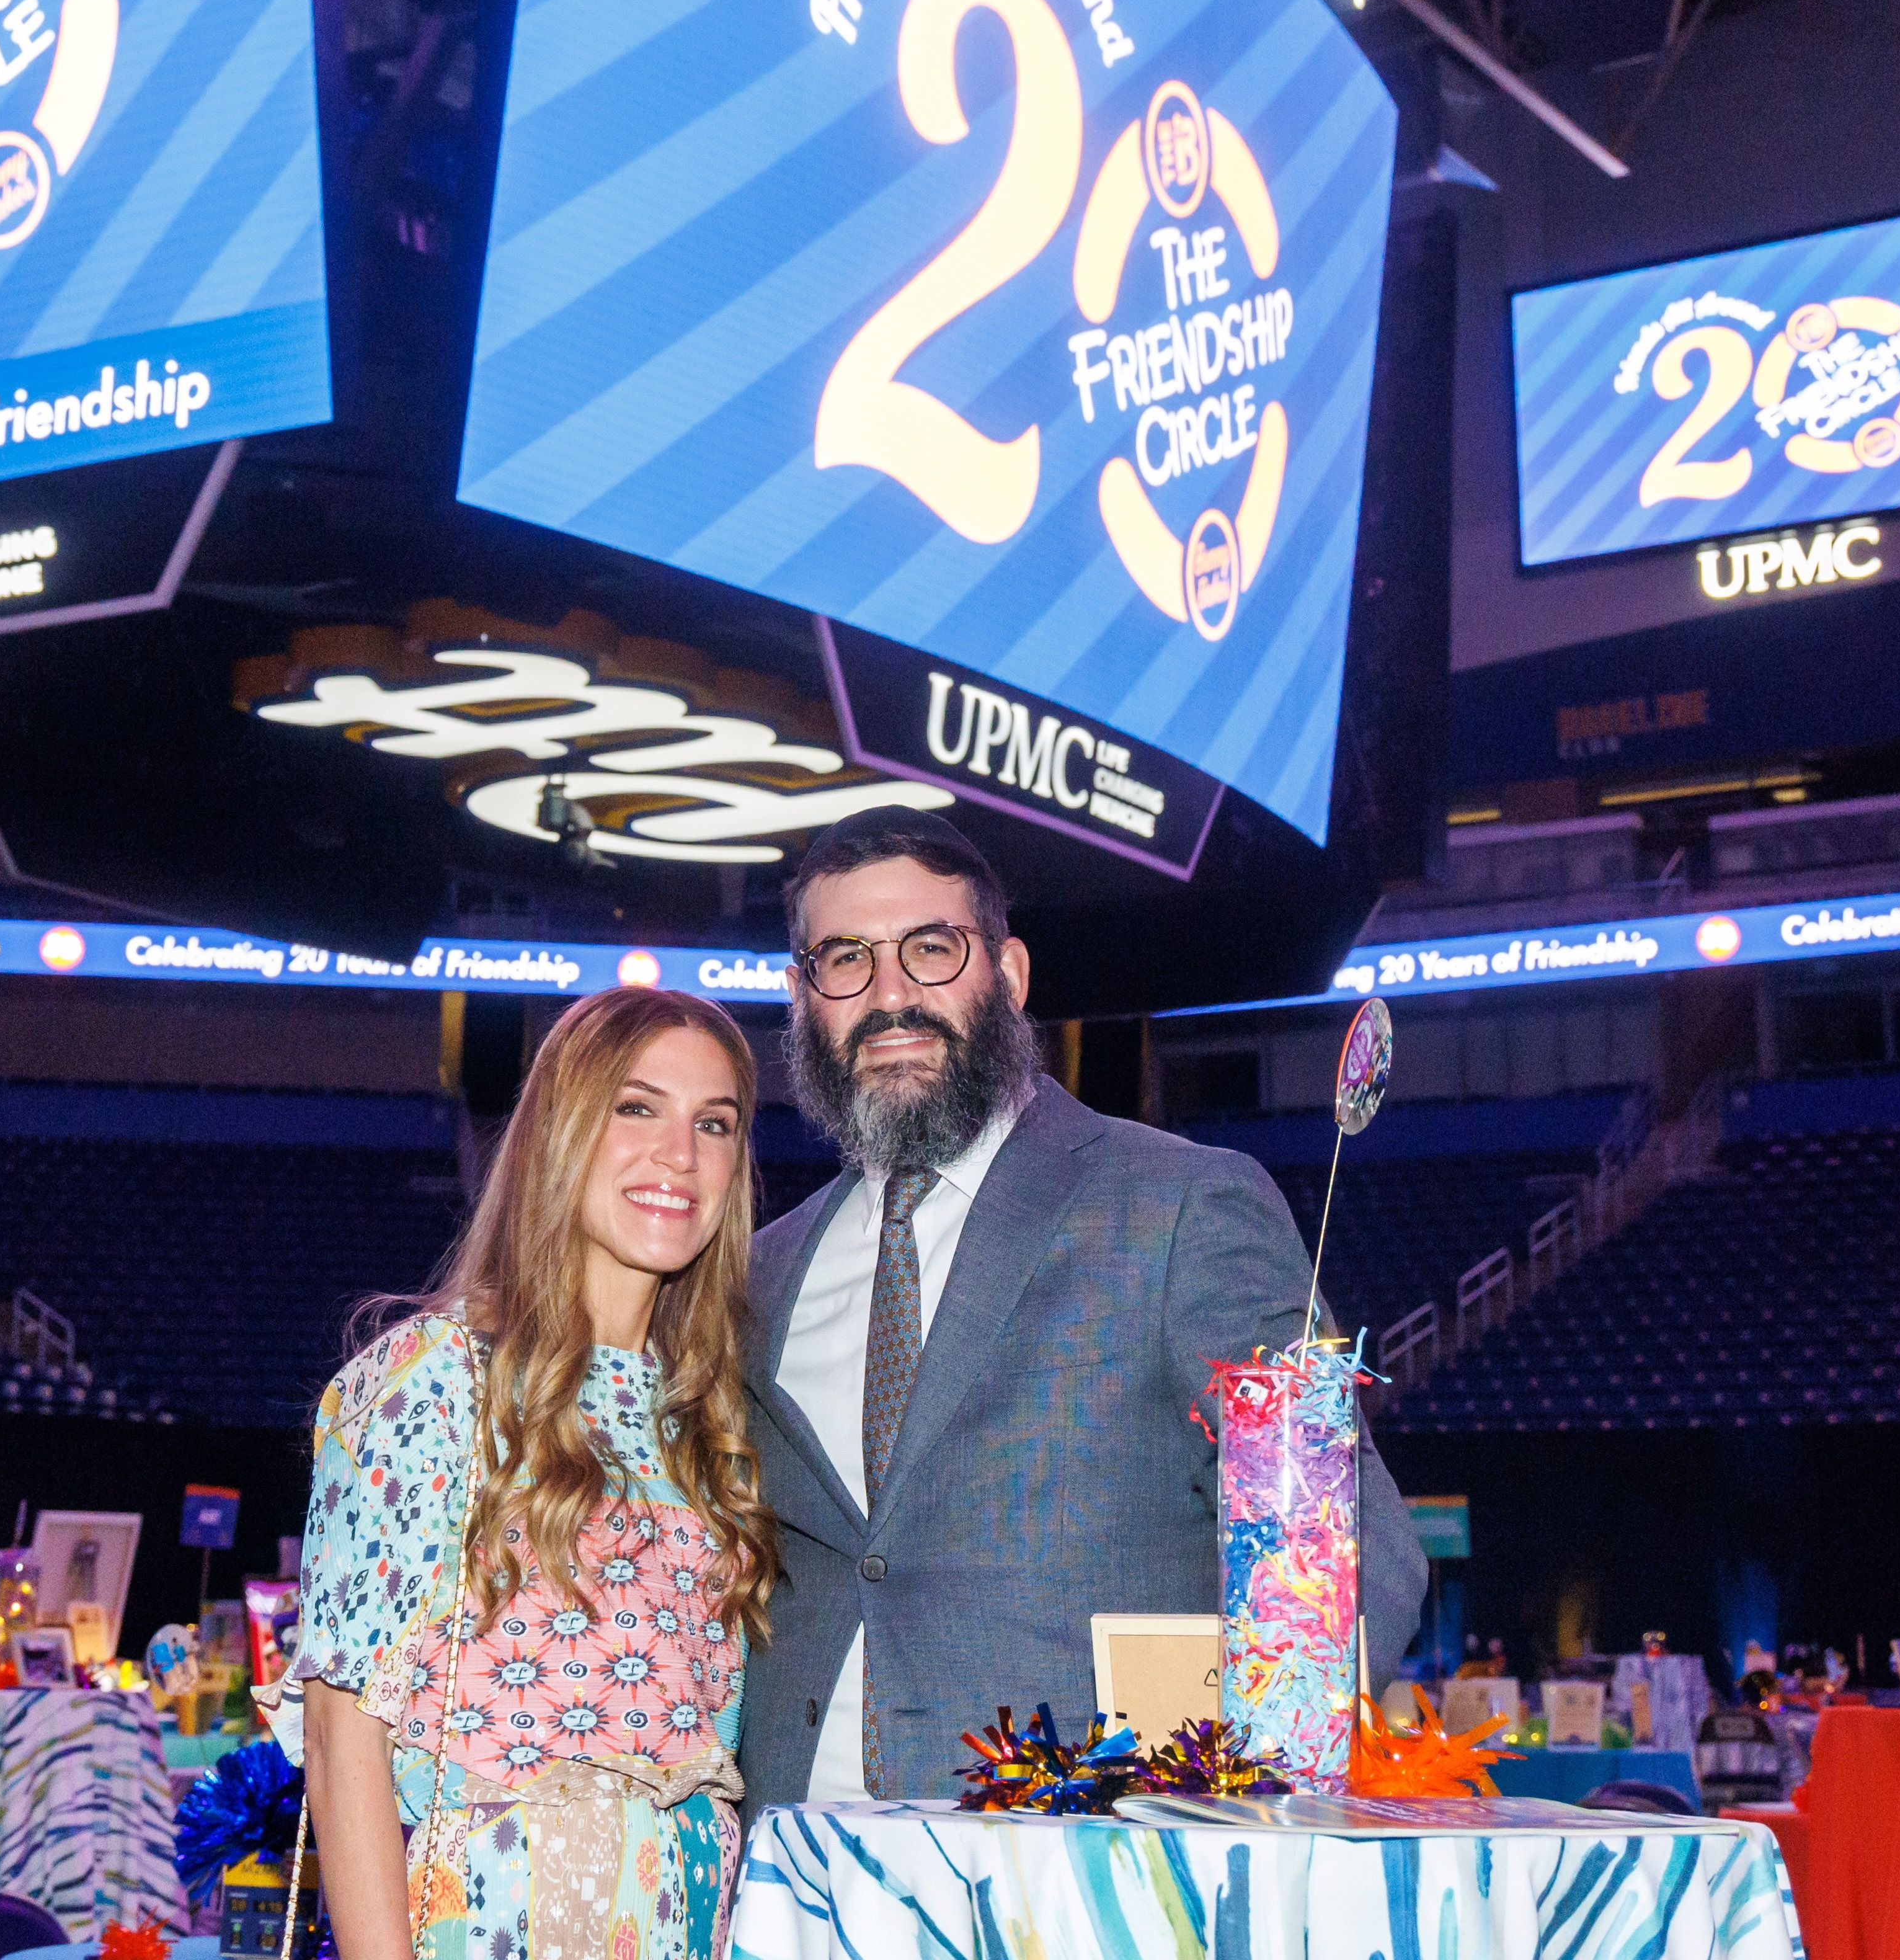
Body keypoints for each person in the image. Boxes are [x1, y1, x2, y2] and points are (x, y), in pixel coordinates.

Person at [737, 809, 1430, 1802]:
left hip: (1082, 1863)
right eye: (845, 959)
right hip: (790, 1862)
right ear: (802, 997)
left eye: (932, 949)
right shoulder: (760, 1272)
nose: (891, 995)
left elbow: (1349, 1555)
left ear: (1010, 974)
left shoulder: (1183, 1206)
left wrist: (1228, 1817)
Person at [295, 984, 783, 1960]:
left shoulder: (715, 1418)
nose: (680, 1156)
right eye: (636, 1108)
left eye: (714, 1124)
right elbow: (341, 1740)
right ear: (561, 1132)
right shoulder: (435, 1378)